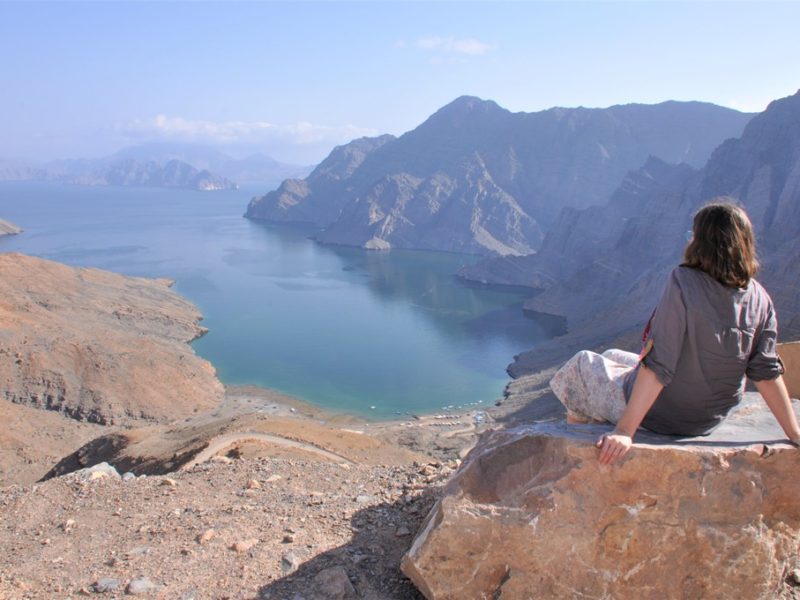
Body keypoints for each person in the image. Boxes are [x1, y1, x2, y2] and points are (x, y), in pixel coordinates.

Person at [550, 201, 800, 465]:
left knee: (579, 368)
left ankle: (576, 457)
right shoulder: (760, 297)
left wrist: (624, 431)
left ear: (702, 242)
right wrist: (793, 433)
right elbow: (765, 372)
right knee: (612, 354)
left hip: (668, 415)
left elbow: (659, 365)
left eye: (693, 235)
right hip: (711, 417)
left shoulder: (684, 281)